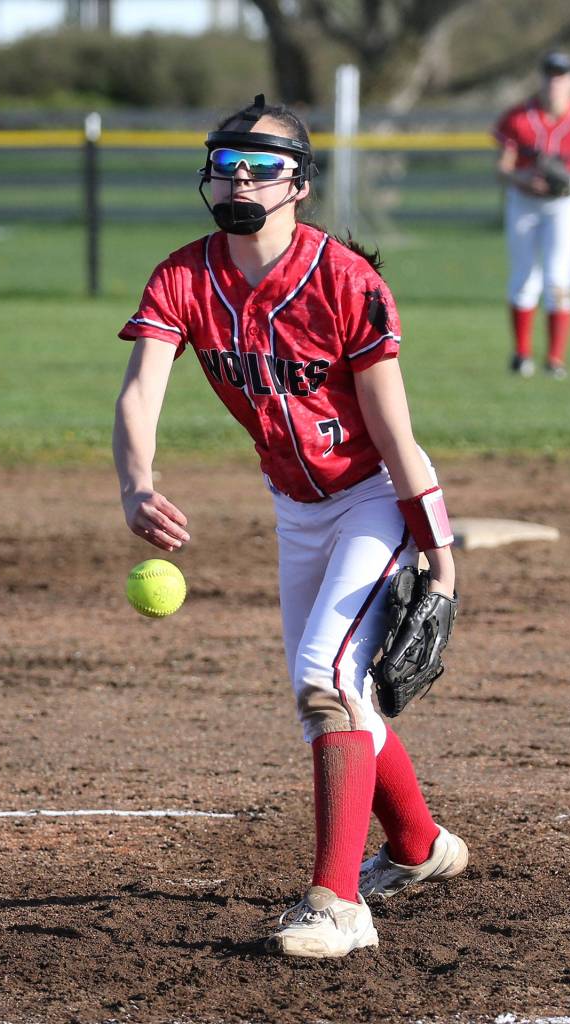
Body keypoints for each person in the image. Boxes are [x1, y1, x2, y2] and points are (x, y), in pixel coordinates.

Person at [113, 95, 468, 959]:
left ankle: (337, 905)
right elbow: (139, 392)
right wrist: (136, 483)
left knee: (325, 675)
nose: (239, 179)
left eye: (260, 165)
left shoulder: (348, 283)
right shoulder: (184, 276)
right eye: (227, 162)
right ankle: (419, 849)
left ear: (298, 184)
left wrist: (441, 560)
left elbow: (395, 433)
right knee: (331, 695)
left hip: (374, 497)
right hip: (295, 507)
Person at [494, 51, 570, 379]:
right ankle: (521, 355)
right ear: (541, 79)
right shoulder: (518, 117)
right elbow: (503, 167)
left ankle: (555, 359)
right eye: (549, 75)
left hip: (565, 205)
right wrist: (523, 178)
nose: (554, 82)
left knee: (559, 279)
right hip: (525, 201)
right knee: (524, 279)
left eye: (561, 75)